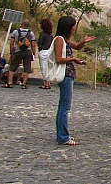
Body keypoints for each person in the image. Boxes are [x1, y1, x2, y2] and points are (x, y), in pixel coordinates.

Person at [54, 16, 96, 145]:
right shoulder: (59, 40)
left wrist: (83, 42)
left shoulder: (65, 39)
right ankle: (63, 137)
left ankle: (62, 134)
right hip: (65, 75)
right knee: (64, 108)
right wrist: (73, 59)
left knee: (63, 107)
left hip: (68, 74)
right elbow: (59, 59)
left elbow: (77, 47)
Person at [2, 19, 36, 89]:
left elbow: (12, 43)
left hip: (18, 51)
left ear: (22, 24)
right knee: (27, 68)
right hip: (28, 51)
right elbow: (33, 44)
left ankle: (10, 83)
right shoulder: (31, 33)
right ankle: (24, 84)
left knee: (12, 67)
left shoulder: (16, 32)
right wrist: (33, 53)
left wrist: (12, 52)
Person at [38, 18, 53, 90]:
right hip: (49, 51)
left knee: (43, 67)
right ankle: (48, 82)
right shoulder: (50, 35)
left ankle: (46, 83)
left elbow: (39, 43)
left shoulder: (42, 34)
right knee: (49, 67)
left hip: (43, 51)